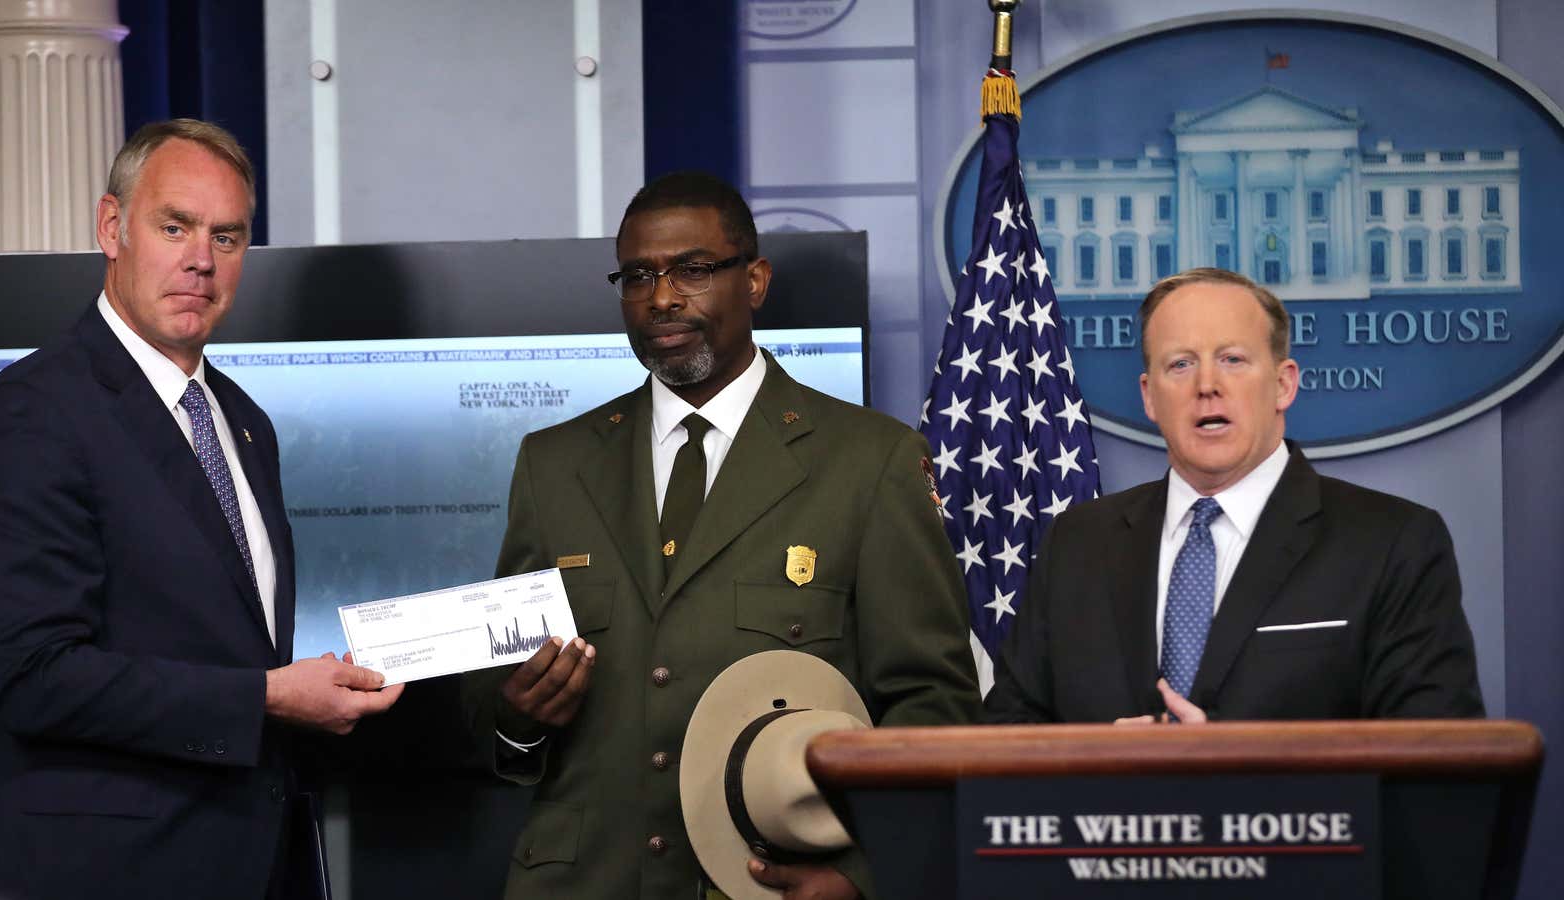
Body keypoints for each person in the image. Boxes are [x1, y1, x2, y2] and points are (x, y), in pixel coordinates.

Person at [462, 171, 981, 899]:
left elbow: (932, 708)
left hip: (766, 883)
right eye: (638, 276)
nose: (663, 298)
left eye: (693, 270)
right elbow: (501, 712)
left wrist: (862, 876)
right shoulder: (554, 464)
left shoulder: (870, 461)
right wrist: (517, 716)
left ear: (756, 280)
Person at [0, 119, 403, 900]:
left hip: (258, 864)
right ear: (112, 228)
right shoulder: (32, 409)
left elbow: (228, 643)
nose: (201, 260)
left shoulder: (244, 422)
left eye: (227, 237)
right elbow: (33, 676)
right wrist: (269, 697)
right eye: (175, 227)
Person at [983, 267, 1484, 725]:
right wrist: (1102, 765)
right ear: (1149, 397)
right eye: (1180, 364)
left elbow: (1435, 761)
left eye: (1233, 359)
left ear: (1284, 384)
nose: (1207, 385)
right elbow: (1008, 732)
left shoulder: (1392, 543)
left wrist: (1234, 772)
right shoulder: (1077, 543)